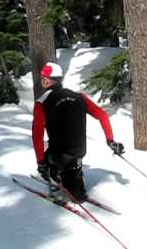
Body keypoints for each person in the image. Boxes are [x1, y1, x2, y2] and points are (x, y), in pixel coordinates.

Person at [32, 62, 124, 202]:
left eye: (42, 78)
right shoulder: (79, 97)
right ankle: (72, 177)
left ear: (45, 80)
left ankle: (56, 176)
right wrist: (110, 140)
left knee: (48, 154)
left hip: (58, 156)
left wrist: (40, 163)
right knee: (71, 168)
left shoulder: (42, 103)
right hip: (80, 152)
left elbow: (37, 135)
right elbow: (102, 116)